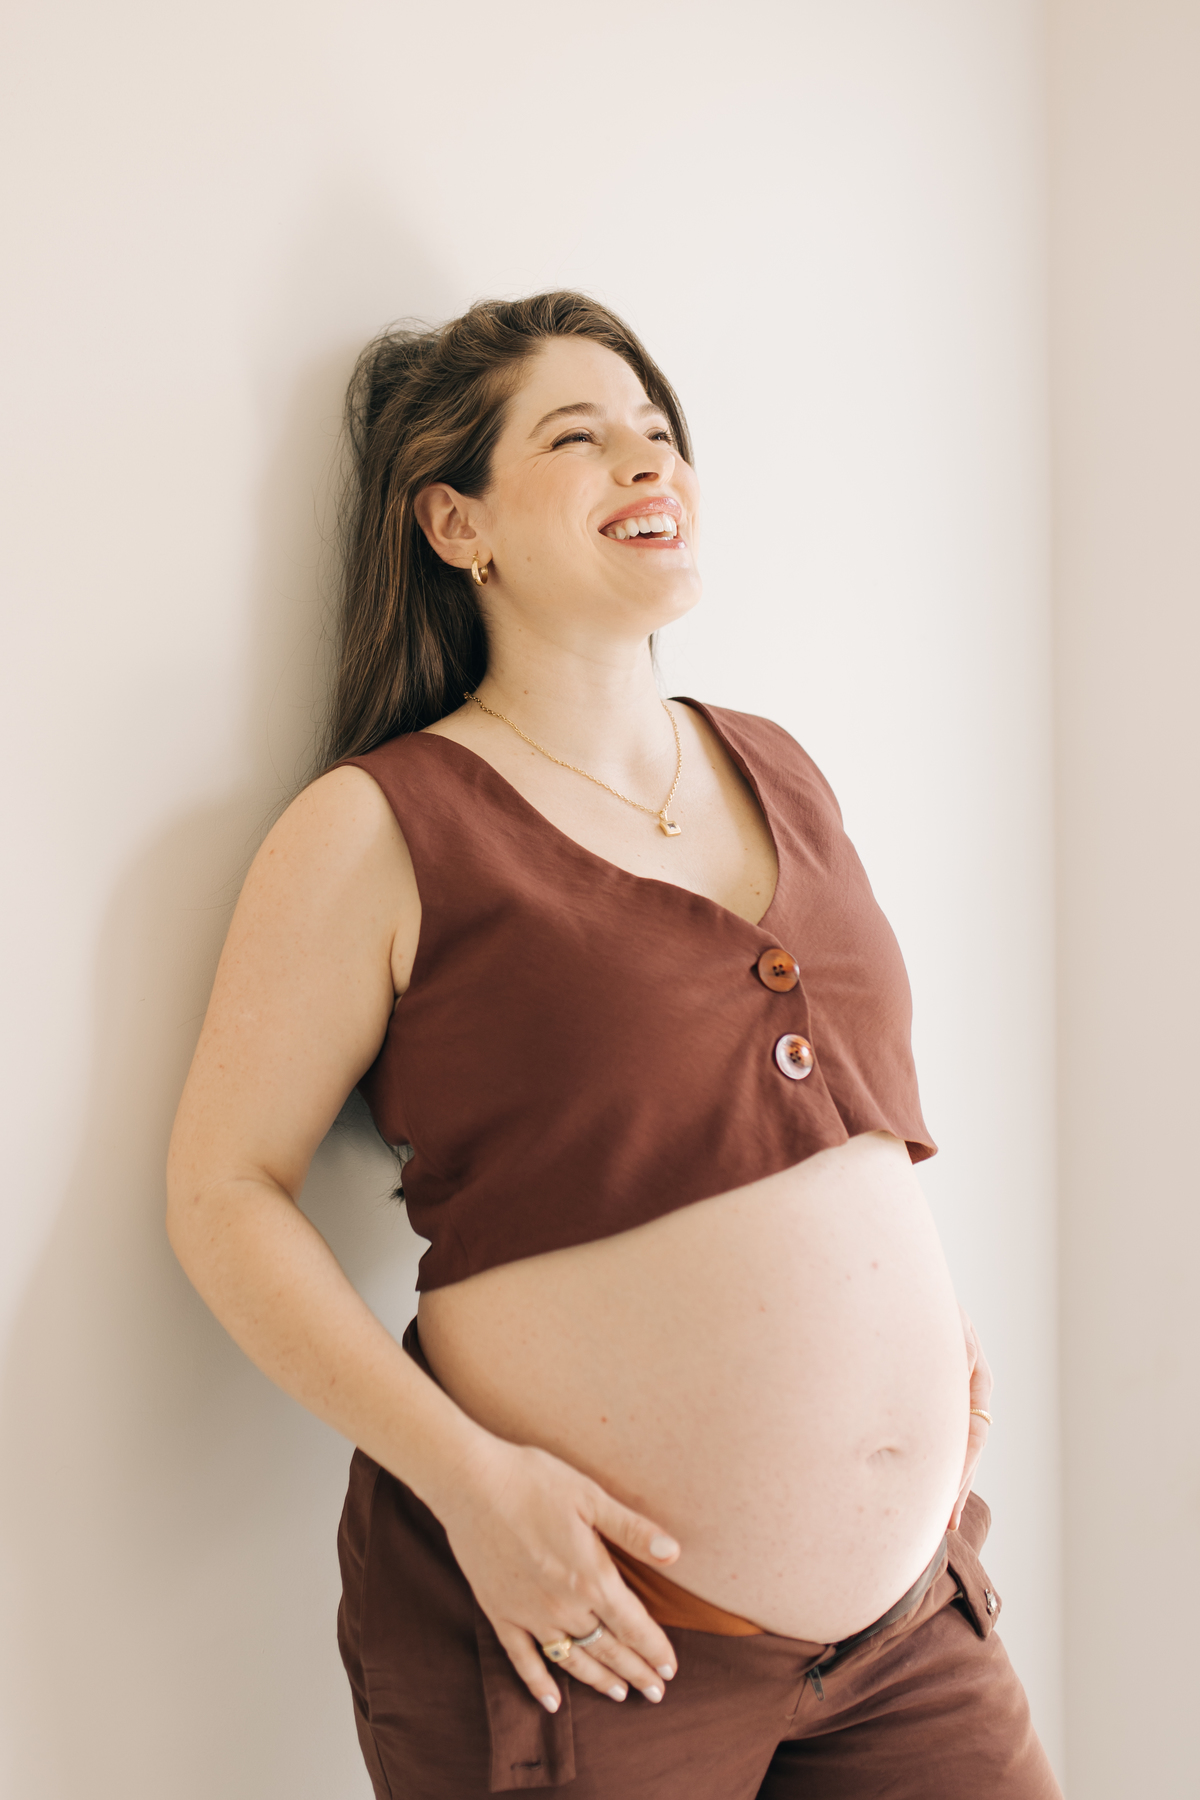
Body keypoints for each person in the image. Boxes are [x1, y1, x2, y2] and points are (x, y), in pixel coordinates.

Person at [167, 291, 1060, 1798]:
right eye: (580, 438)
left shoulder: (777, 766)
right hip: (588, 1641)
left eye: (660, 430)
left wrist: (905, 1348)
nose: (650, 462)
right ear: (457, 525)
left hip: (910, 1635)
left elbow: (812, 1124)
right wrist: (472, 1485)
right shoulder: (378, 827)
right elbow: (221, 1194)